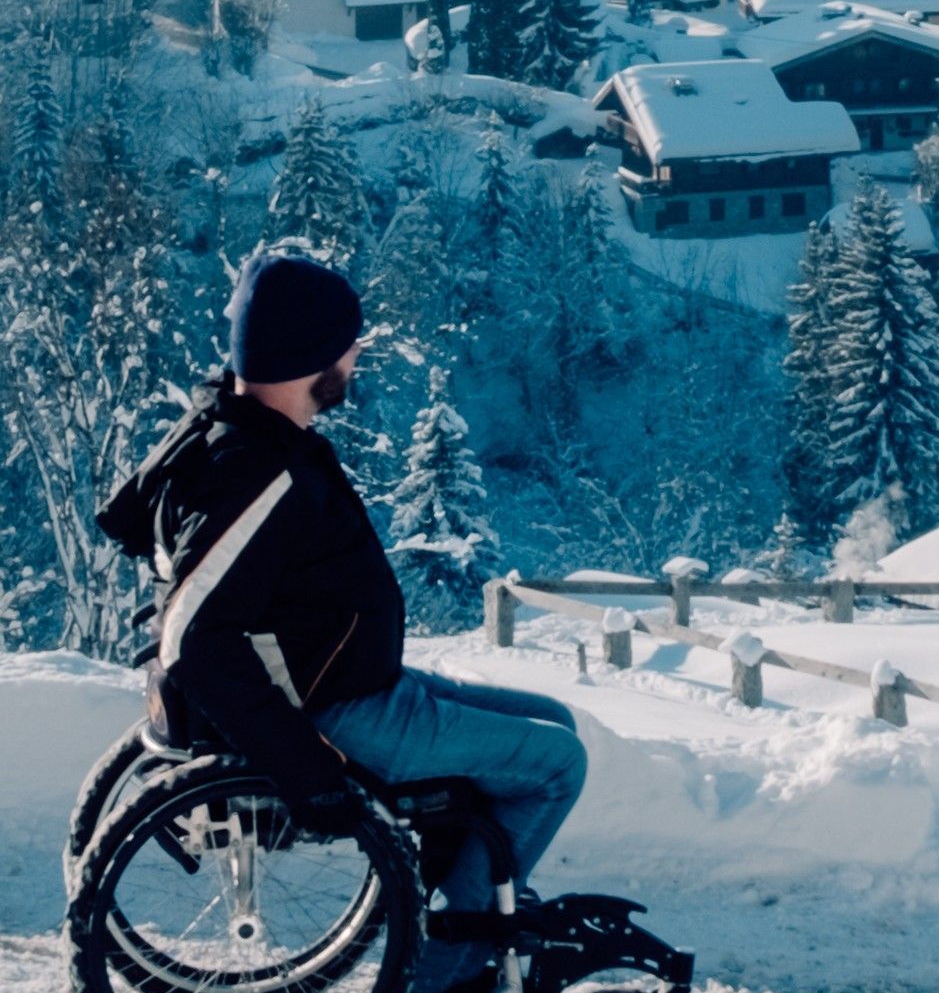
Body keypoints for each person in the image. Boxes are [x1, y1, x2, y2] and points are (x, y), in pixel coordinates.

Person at [95, 253, 586, 938]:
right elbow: (191, 637)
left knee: (553, 718)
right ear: (310, 358)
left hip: (342, 676)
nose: (356, 355)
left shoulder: (246, 430)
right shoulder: (260, 473)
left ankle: (465, 889)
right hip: (336, 712)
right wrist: (304, 767)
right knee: (559, 764)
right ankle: (446, 969)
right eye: (348, 344)